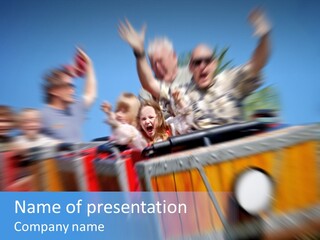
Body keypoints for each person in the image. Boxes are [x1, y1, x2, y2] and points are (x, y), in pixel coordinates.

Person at [171, 9, 271, 132]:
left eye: (207, 61)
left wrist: (264, 37)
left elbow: (256, 65)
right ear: (191, 67)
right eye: (197, 62)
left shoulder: (228, 80)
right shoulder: (182, 93)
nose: (203, 66)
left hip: (236, 141)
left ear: (214, 64)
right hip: (202, 146)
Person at [118, 21, 192, 118]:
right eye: (153, 64)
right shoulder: (146, 92)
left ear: (174, 56)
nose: (157, 67)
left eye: (160, 61)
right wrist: (139, 53)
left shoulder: (193, 74)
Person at [41, 48, 97, 142]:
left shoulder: (75, 109)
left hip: (78, 156)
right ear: (53, 90)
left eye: (73, 86)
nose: (73, 90)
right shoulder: (42, 116)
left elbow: (90, 94)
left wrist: (89, 64)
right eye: (68, 86)